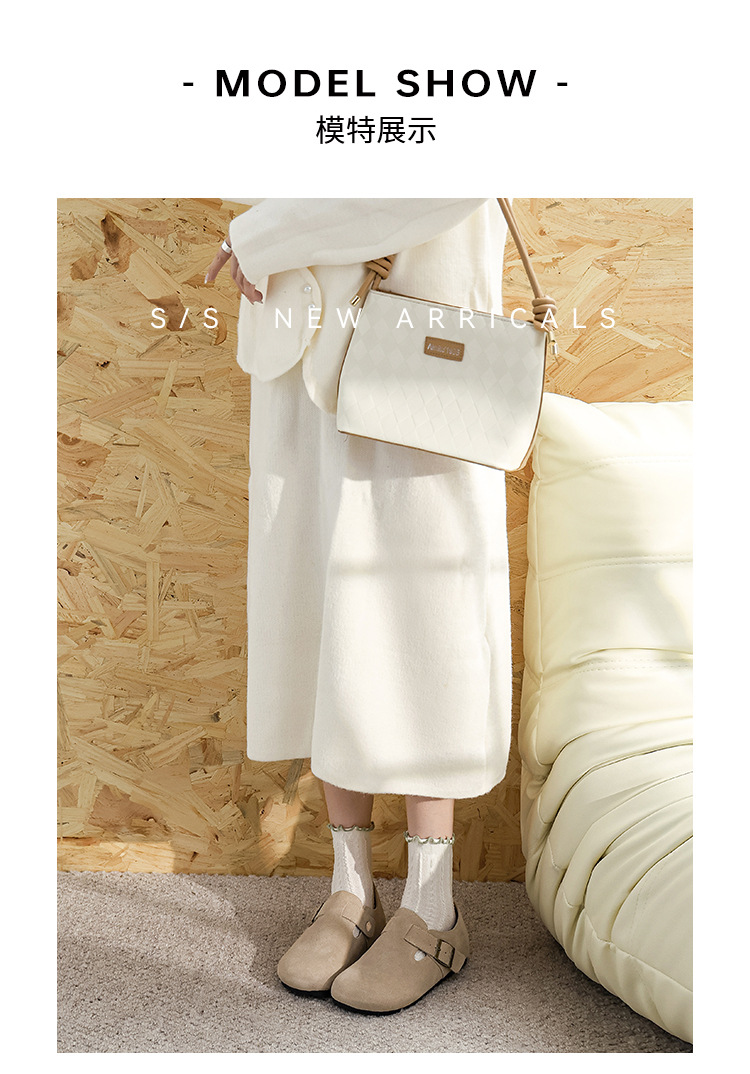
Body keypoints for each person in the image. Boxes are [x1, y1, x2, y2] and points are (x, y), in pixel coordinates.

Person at [205, 199, 515, 1014]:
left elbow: (432, 180)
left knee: (421, 622)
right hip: (303, 346)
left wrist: (258, 235)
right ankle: (350, 889)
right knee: (322, 615)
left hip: (422, 347)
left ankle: (434, 905)